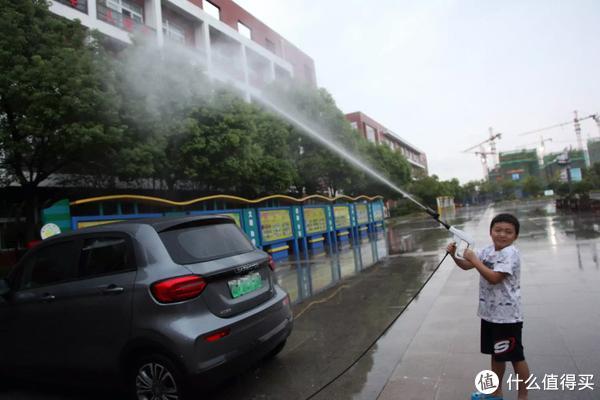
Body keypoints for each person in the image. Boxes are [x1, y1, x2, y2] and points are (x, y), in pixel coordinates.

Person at [447, 213, 530, 400]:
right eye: (498, 230)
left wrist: (475, 260)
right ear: (490, 232)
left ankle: (523, 396)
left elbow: (494, 278)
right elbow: (466, 265)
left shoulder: (511, 253)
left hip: (507, 317)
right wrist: (454, 255)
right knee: (496, 354)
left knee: (516, 357)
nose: (502, 235)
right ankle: (495, 393)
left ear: (515, 236)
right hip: (490, 315)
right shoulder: (488, 250)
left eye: (508, 232)